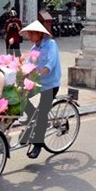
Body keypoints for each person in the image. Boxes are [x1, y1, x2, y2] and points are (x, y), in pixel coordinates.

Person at [19, 20, 61, 160]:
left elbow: (51, 63)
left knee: (42, 113)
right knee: (20, 97)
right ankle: (33, 119)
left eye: (32, 33)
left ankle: (38, 144)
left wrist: (38, 74)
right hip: (37, 84)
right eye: (29, 33)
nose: (30, 35)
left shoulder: (51, 45)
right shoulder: (34, 49)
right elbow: (28, 65)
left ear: (40, 34)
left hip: (50, 84)